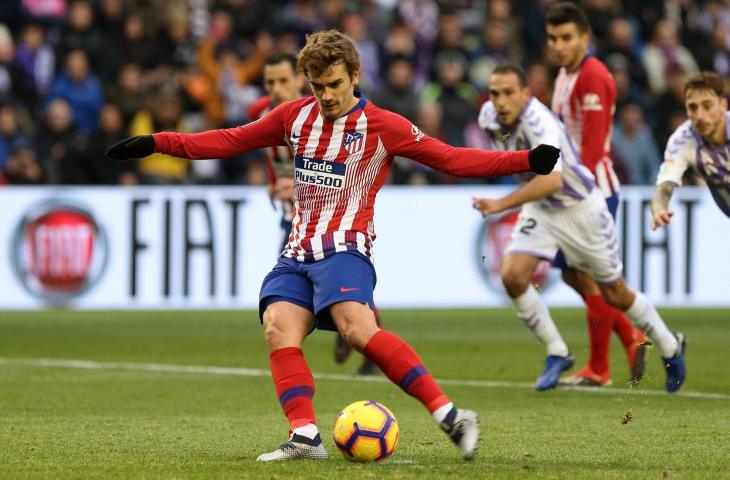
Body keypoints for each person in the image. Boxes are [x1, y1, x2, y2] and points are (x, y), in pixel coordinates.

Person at [107, 30, 560, 462]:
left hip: (346, 248)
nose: (326, 95)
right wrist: (156, 143)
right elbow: (228, 141)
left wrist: (523, 160)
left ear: (356, 76)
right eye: (318, 85)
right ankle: (304, 435)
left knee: (356, 328)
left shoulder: (384, 126)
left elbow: (452, 158)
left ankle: (452, 416)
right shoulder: (293, 116)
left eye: (335, 84)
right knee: (278, 327)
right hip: (297, 251)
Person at [472, 63, 687, 393]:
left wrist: (500, 204)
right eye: (495, 93)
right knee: (513, 275)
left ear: (526, 94)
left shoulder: (540, 123)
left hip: (580, 209)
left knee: (616, 293)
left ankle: (669, 346)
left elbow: (553, 179)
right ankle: (558, 352)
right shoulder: (488, 116)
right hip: (543, 209)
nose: (500, 101)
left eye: (509, 93)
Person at [248, 52, 378, 375]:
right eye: (269, 83)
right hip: (292, 215)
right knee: (289, 282)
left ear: (299, 81)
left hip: (328, 216)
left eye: (283, 80)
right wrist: (273, 181)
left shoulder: (319, 113)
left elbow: (331, 165)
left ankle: (354, 330)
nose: (276, 88)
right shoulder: (262, 113)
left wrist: (293, 182)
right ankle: (336, 325)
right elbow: (268, 153)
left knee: (331, 283)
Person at [546, 2, 646, 387]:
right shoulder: (564, 75)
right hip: (570, 191)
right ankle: (628, 338)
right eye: (554, 38)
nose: (559, 45)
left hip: (591, 192)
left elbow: (590, 149)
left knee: (591, 277)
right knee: (575, 275)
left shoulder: (594, 76)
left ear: (585, 38)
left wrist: (569, 190)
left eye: (567, 37)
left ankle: (603, 365)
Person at [652, 71, 730, 226]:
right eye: (693, 108)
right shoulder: (681, 142)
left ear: (723, 105)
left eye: (707, 106)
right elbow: (664, 186)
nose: (700, 115)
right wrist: (659, 209)